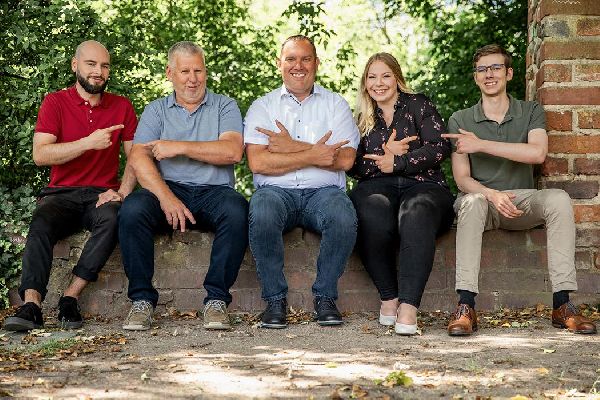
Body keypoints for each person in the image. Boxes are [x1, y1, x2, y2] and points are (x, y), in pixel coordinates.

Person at [442, 44, 596, 336]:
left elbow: (537, 153)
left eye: (495, 67)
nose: (489, 74)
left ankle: (562, 304)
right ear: (475, 77)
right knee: (471, 202)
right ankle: (465, 306)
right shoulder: (460, 119)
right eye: (482, 69)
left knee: (559, 199)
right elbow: (462, 179)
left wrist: (481, 144)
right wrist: (492, 194)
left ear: (509, 73)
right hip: (483, 201)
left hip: (521, 201)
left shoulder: (530, 111)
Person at [3, 40, 138, 331]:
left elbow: (136, 158)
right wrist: (88, 143)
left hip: (101, 194)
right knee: (41, 223)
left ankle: (70, 298)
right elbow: (41, 155)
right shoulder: (55, 102)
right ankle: (31, 305)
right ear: (75, 66)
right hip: (61, 194)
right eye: (91, 64)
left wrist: (122, 192)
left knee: (113, 218)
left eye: (104, 66)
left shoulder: (122, 106)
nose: (98, 71)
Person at [118, 41, 248, 331]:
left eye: (198, 71)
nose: (193, 79)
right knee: (132, 210)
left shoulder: (224, 106)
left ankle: (216, 300)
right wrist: (166, 198)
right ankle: (141, 301)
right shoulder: (156, 110)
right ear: (170, 73)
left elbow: (231, 152)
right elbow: (138, 158)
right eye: (185, 71)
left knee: (238, 211)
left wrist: (178, 146)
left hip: (214, 191)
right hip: (169, 188)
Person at [244, 35, 359, 329]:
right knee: (262, 210)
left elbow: (346, 159)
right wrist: (315, 154)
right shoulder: (263, 106)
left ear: (316, 63)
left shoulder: (335, 104)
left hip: (324, 193)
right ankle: (274, 301)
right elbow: (258, 162)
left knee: (343, 215)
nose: (299, 66)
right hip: (276, 191)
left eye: (306, 59)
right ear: (279, 63)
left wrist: (289, 147)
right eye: (291, 59)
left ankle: (325, 297)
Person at [348, 53, 454, 335]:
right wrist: (382, 159)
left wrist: (399, 162)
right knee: (369, 211)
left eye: (385, 76)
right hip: (376, 187)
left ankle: (408, 306)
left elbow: (439, 147)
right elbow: (352, 165)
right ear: (365, 83)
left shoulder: (419, 104)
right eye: (372, 77)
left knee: (417, 211)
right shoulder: (360, 118)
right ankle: (389, 297)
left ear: (397, 78)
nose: (379, 83)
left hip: (423, 184)